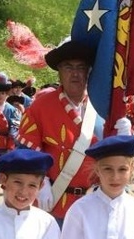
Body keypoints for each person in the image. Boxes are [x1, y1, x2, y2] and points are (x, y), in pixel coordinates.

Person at [18, 37, 102, 221]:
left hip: (95, 204)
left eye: (81, 67)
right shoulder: (40, 106)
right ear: (59, 73)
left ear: (89, 72)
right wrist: (41, 181)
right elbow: (25, 152)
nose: (75, 73)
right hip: (54, 203)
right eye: (68, 67)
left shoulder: (102, 107)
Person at [0, 72, 21, 187]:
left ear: (7, 95)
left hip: (7, 145)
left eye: (3, 93)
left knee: (6, 176)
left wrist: (10, 147)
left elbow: (14, 129)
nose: (0, 96)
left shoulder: (12, 110)